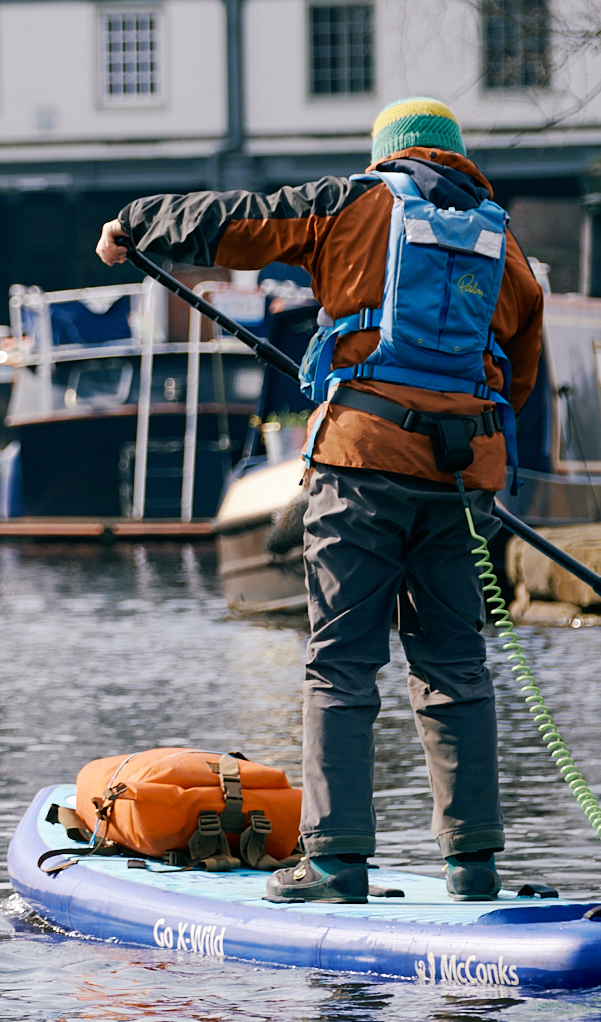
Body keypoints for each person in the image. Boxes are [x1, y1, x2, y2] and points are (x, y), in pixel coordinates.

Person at [97, 97, 545, 902]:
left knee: (340, 664)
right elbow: (521, 372)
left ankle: (336, 864)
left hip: (360, 464)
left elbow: (236, 222)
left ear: (388, 156)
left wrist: (135, 223)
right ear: (456, 157)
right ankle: (473, 866)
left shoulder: (352, 203)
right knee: (454, 663)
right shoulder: (503, 242)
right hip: (461, 479)